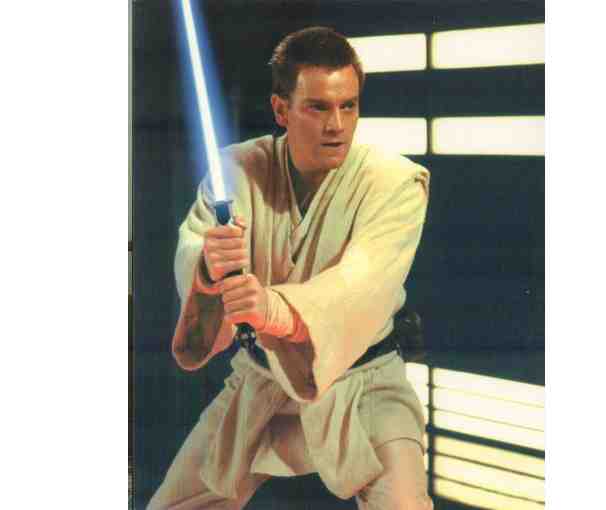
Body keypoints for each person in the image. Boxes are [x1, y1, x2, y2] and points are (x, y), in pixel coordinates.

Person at [148, 26, 432, 509]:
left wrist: (272, 308)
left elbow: (361, 281)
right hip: (261, 379)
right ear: (281, 110)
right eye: (318, 107)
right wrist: (208, 270)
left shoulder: (396, 182)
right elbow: (194, 247)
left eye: (349, 106)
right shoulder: (235, 171)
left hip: (366, 384)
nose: (337, 125)